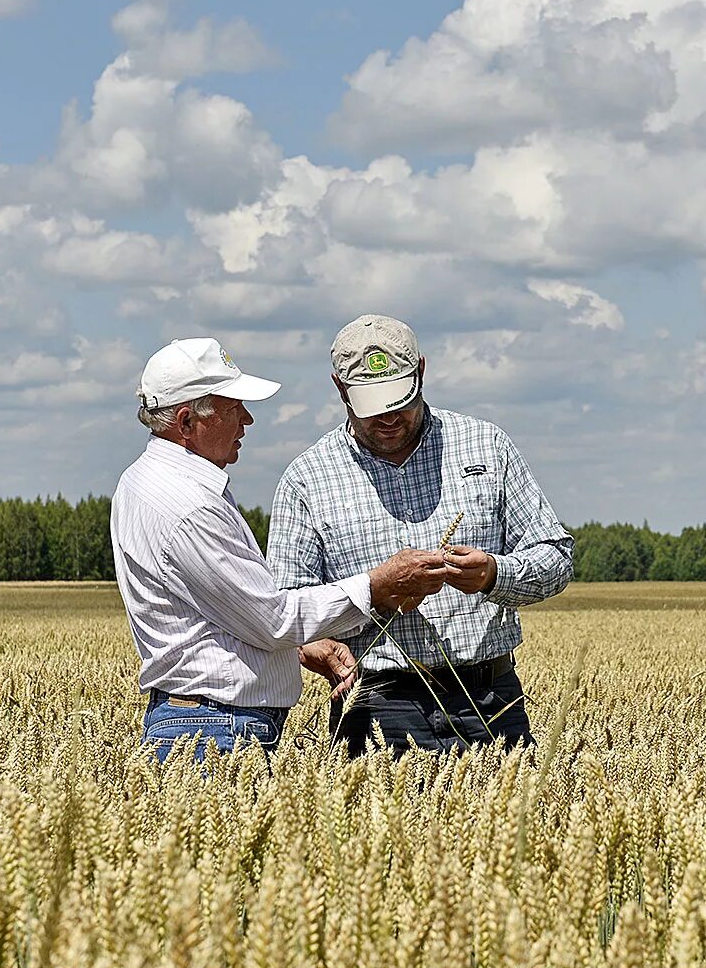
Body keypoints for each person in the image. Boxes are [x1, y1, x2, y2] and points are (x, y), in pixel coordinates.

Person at [111, 337, 451, 761]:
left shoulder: (142, 481)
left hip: (199, 720)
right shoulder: (190, 506)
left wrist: (301, 646)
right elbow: (272, 619)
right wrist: (378, 585)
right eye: (234, 408)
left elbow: (222, 615)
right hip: (216, 727)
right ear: (186, 422)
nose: (248, 419)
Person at [267, 315, 574, 756]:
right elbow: (286, 606)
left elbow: (557, 559)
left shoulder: (486, 445)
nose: (389, 418)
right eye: (371, 405)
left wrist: (493, 574)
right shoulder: (307, 478)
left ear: (422, 372)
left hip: (489, 696)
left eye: (399, 399)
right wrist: (320, 641)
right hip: (374, 704)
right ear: (339, 388)